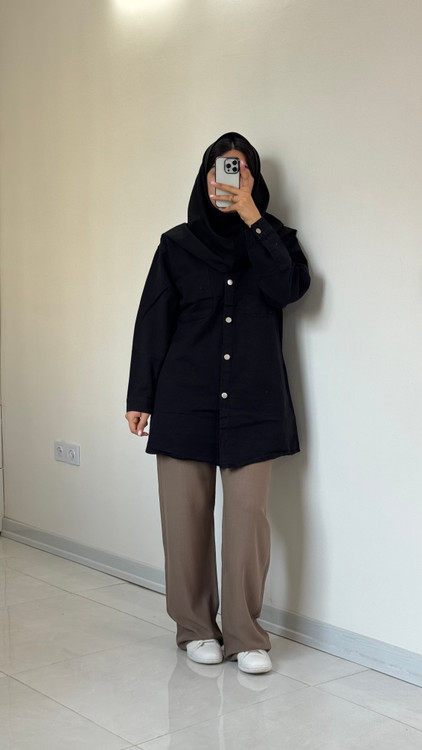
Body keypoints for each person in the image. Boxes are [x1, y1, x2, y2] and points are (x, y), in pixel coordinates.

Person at [125, 132, 311, 674]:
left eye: (237, 169)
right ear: (203, 177)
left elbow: (290, 289)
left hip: (253, 401)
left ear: (253, 179)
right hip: (183, 399)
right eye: (217, 169)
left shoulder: (275, 239)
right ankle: (195, 628)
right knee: (184, 521)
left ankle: (245, 635)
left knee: (248, 522)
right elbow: (153, 322)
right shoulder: (176, 245)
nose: (225, 179)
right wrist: (141, 396)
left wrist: (253, 217)